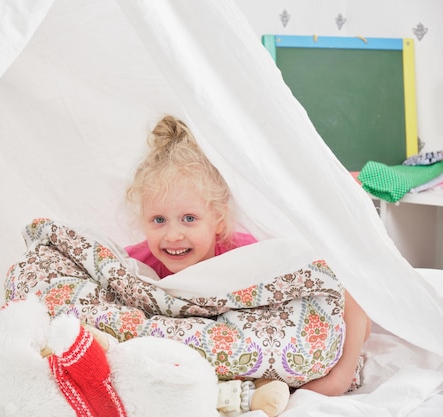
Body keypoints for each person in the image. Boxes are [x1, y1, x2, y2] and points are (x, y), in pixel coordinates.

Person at [124, 115, 372, 397]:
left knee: (358, 328)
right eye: (158, 220)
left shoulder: (244, 255)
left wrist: (339, 377)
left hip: (277, 337)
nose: (172, 235)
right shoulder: (138, 264)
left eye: (189, 218)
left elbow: (345, 294)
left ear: (217, 219)